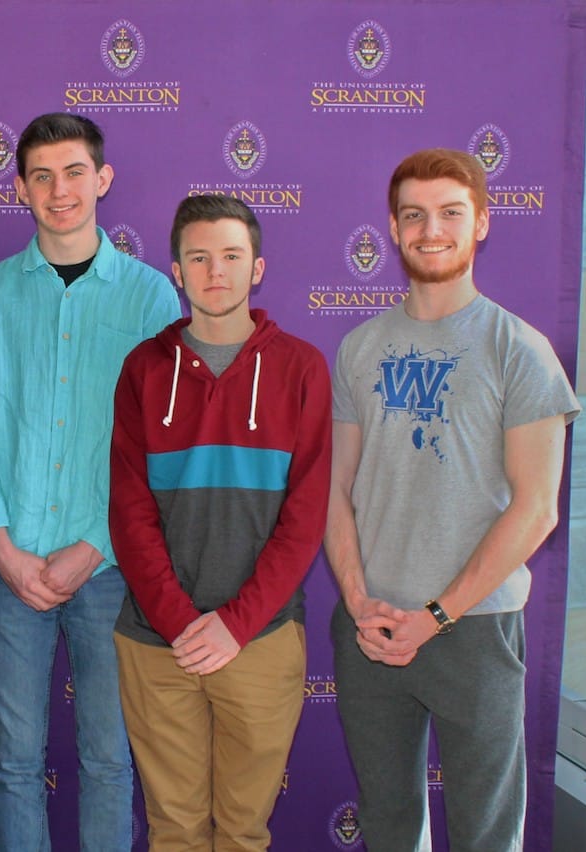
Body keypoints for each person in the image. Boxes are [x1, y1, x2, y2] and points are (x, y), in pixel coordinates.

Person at [325, 148, 579, 850]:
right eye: (414, 215)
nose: (430, 230)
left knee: (485, 832)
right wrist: (355, 598)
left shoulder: (519, 350)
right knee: (388, 822)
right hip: (371, 626)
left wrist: (438, 614)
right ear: (393, 227)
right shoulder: (358, 349)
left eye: (449, 214)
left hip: (474, 627)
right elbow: (333, 490)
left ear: (481, 224)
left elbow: (537, 509)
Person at [0, 112, 179, 850]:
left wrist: (93, 543)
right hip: (9, 567)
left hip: (110, 570)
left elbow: (154, 445)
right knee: (16, 766)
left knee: (108, 760)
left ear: (103, 179)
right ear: (21, 187)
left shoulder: (153, 298)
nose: (59, 191)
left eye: (73, 172)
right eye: (41, 175)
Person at [109, 195, 331, 851]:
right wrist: (181, 623)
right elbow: (129, 512)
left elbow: (305, 516)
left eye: (231, 256)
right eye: (199, 257)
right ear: (175, 271)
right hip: (158, 641)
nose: (215, 272)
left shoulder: (301, 368)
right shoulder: (144, 370)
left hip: (260, 640)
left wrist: (236, 624)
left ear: (257, 267)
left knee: (241, 832)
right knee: (174, 830)